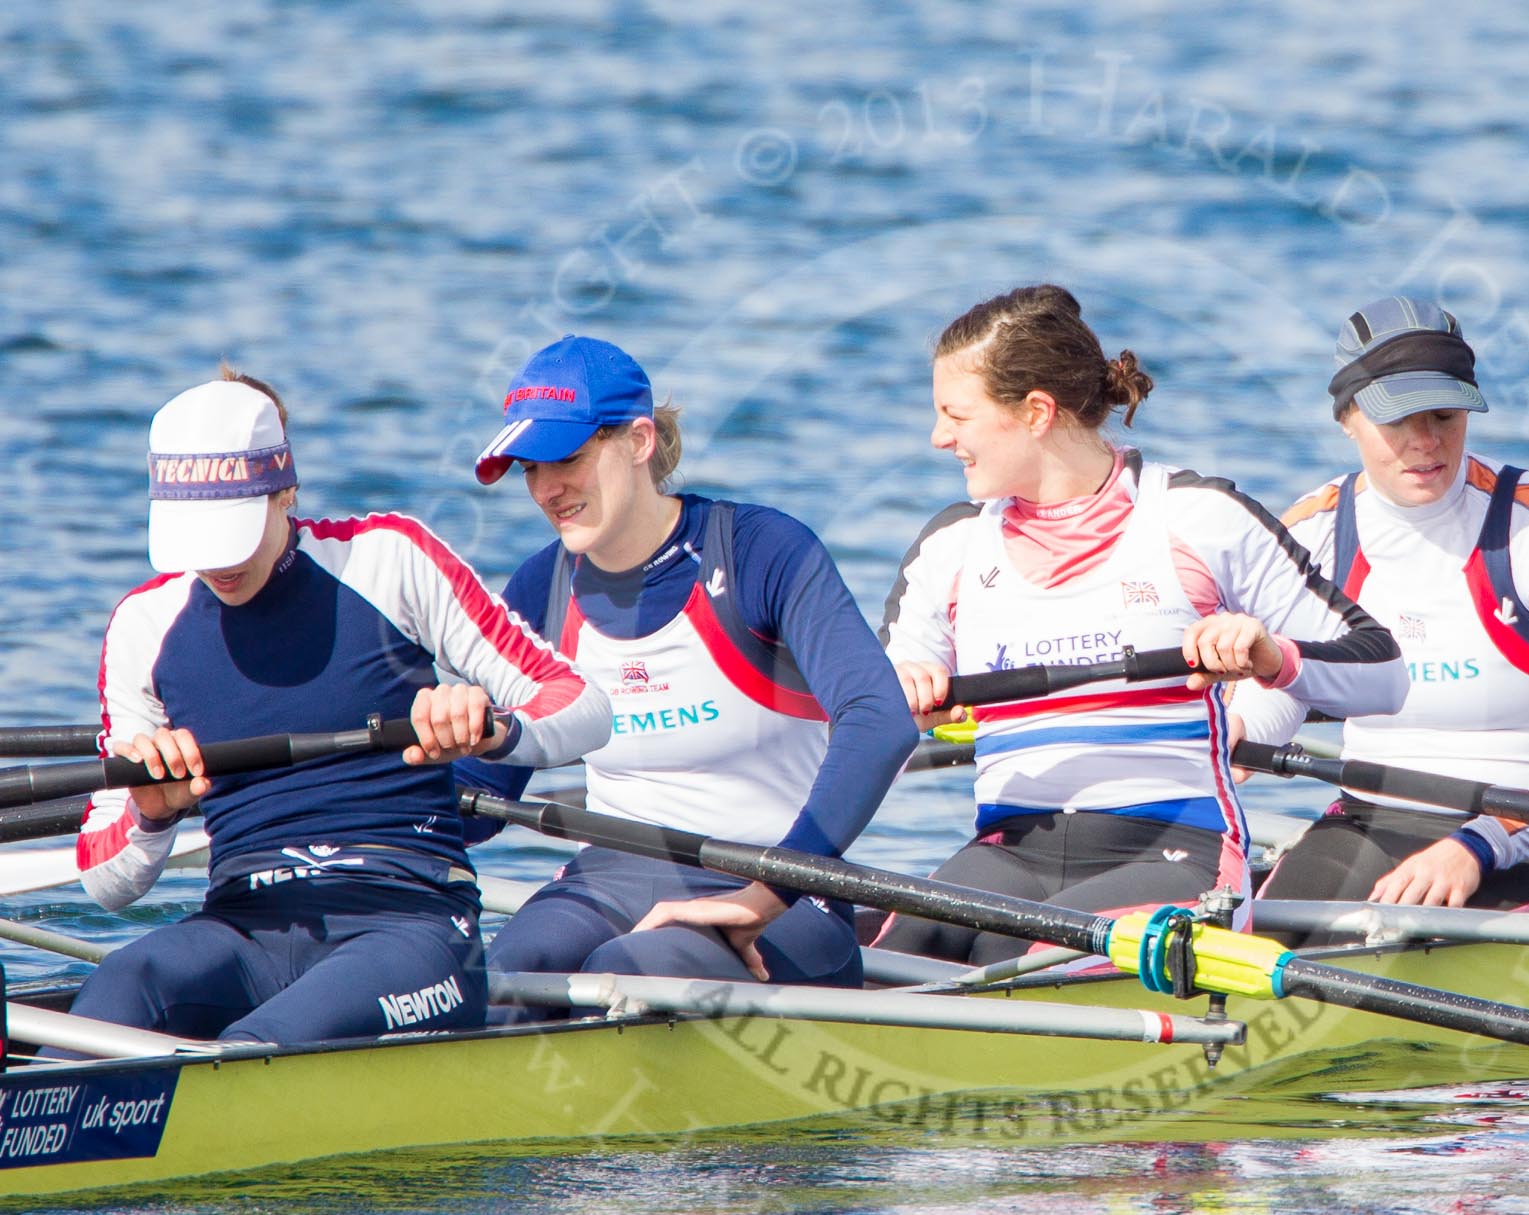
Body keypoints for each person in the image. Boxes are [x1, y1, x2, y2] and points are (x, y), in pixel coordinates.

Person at [73, 368, 611, 1044]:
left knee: (260, 1050)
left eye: (232, 531)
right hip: (242, 924)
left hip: (410, 925)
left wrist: (491, 730)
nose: (217, 564)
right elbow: (105, 883)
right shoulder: (143, 626)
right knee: (122, 984)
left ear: (286, 490)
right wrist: (150, 814)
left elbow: (583, 704)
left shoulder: (387, 561)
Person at [876, 284, 1409, 965]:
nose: (939, 437)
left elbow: (1384, 674)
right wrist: (898, 700)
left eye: (956, 415)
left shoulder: (1197, 518)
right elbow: (868, 723)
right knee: (898, 955)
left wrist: (1271, 657)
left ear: (1036, 412)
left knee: (1015, 960)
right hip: (1006, 850)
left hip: (1175, 850)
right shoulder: (950, 546)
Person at [460, 336, 916, 1003]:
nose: (546, 490)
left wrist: (767, 893)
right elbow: (480, 794)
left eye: (566, 459)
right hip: (607, 878)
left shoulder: (761, 553)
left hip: (780, 888)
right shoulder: (541, 588)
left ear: (639, 441)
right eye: (530, 468)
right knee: (498, 983)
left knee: (624, 971)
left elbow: (880, 722)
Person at [1231, 298, 1529, 924]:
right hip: (1365, 817)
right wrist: (1238, 732)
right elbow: (1285, 693)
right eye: (1398, 419)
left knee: (1396, 954)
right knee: (1262, 949)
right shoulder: (1314, 532)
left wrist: (1481, 843)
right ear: (1347, 418)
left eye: (1445, 416)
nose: (1426, 443)